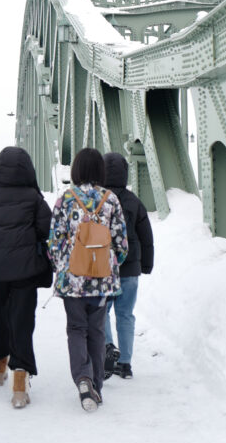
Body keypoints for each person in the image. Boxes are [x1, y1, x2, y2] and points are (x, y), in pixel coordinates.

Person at [0, 146, 52, 409]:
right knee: (22, 321)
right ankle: (19, 384)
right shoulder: (34, 199)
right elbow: (45, 228)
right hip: (25, 269)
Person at [48, 147, 128, 412]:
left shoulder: (65, 199)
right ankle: (96, 384)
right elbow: (121, 245)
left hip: (73, 280)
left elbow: (54, 242)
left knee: (76, 329)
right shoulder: (111, 200)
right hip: (102, 280)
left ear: (76, 170)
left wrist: (64, 264)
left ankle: (82, 377)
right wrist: (108, 263)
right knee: (96, 330)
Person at [102, 152, 154, 380]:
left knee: (101, 312)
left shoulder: (98, 200)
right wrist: (146, 265)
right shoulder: (134, 201)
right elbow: (146, 237)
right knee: (125, 315)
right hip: (130, 268)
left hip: (102, 268)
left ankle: (107, 352)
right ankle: (125, 364)